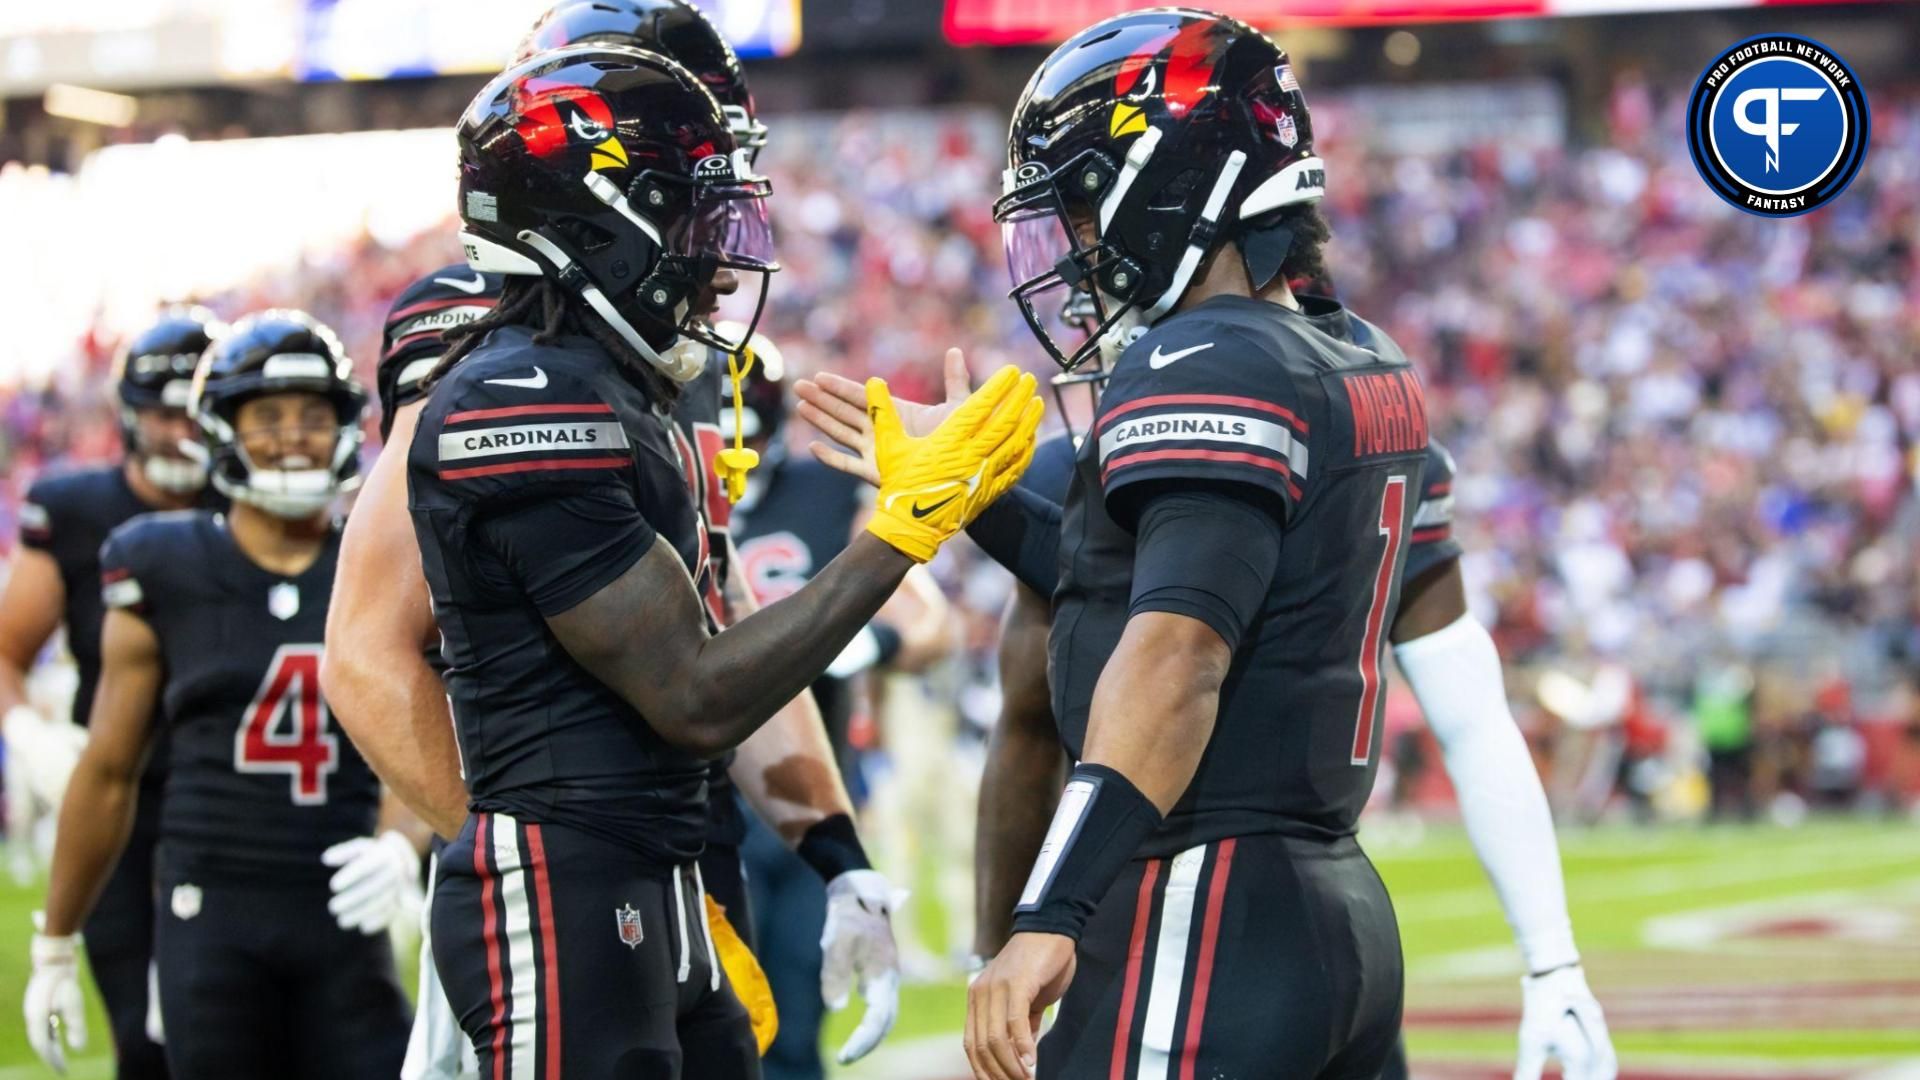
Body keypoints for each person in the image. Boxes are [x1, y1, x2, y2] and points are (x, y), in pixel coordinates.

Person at [802, 10, 1421, 1077]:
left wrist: (1052, 909)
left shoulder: (1206, 358)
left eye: (1086, 209)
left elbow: (1180, 651)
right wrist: (975, 497)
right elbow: (1156, 579)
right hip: (1327, 905)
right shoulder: (1354, 351)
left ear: (1172, 183)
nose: (1080, 249)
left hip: (1200, 898)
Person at [407, 44, 1040, 1076]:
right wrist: (902, 532)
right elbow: (694, 694)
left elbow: (724, 621)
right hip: (563, 875)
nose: (712, 255)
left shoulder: (629, 389)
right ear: (593, 226)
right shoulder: (519, 398)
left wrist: (832, 852)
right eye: (685, 216)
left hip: (662, 864)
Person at [975, 427, 1616, 1080]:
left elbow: (1035, 719)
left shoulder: (1140, 444)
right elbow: (1472, 712)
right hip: (1346, 903)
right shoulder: (1380, 422)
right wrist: (1551, 956)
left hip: (1185, 905)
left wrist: (1006, 943)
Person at [24, 311, 413, 1078]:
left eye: (313, 415)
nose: (294, 435)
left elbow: (426, 734)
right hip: (211, 909)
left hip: (341, 902)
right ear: (221, 429)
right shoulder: (160, 561)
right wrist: (56, 942)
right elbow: (109, 771)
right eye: (267, 416)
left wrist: (403, 841)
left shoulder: (380, 561)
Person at [723, 338, 957, 1080]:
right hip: (700, 801)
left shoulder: (823, 492)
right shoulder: (662, 485)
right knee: (706, 1028)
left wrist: (868, 645)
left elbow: (931, 623)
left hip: (807, 790)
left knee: (793, 1028)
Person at [1, 308, 224, 1079]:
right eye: (166, 413)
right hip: (119, 807)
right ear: (131, 416)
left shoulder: (255, 511)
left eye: (197, 412)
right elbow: (5, 650)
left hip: (237, 804)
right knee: (146, 1040)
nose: (181, 432)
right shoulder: (74, 511)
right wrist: (27, 732)